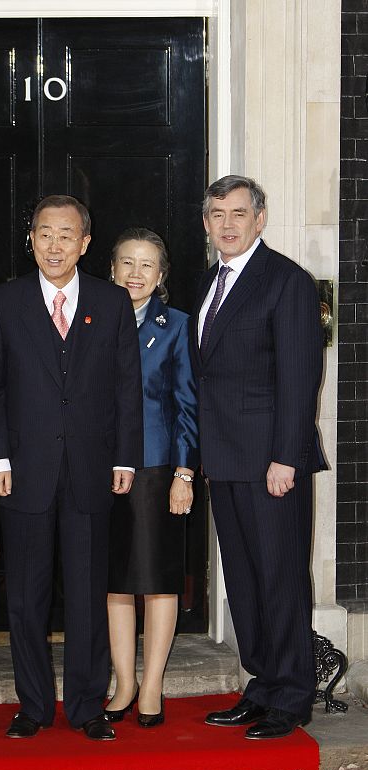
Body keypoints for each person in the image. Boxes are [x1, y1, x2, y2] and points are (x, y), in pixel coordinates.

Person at [0, 195, 143, 741]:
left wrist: (126, 456)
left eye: (66, 234)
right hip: (23, 470)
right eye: (44, 233)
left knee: (86, 594)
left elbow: (127, 387)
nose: (54, 245)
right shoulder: (2, 303)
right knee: (26, 595)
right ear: (30, 238)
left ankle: (86, 706)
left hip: (92, 469)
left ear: (85, 242)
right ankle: (32, 705)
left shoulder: (112, 302)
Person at [190, 175, 327, 739]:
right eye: (217, 213)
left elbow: (301, 380)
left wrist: (285, 458)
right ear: (206, 222)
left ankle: (292, 696)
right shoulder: (209, 281)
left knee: (280, 579)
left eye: (239, 213)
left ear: (260, 219)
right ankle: (264, 684)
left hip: (273, 464)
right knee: (244, 581)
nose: (227, 223)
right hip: (224, 459)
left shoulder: (287, 282)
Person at [105, 228, 199, 727]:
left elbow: (187, 404)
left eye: (146, 265)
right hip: (98, 468)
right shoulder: (88, 319)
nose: (135, 273)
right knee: (114, 580)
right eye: (126, 263)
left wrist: (184, 472)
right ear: (112, 269)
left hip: (157, 467)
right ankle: (123, 681)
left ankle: (153, 683)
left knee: (158, 578)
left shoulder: (178, 326)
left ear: (161, 276)